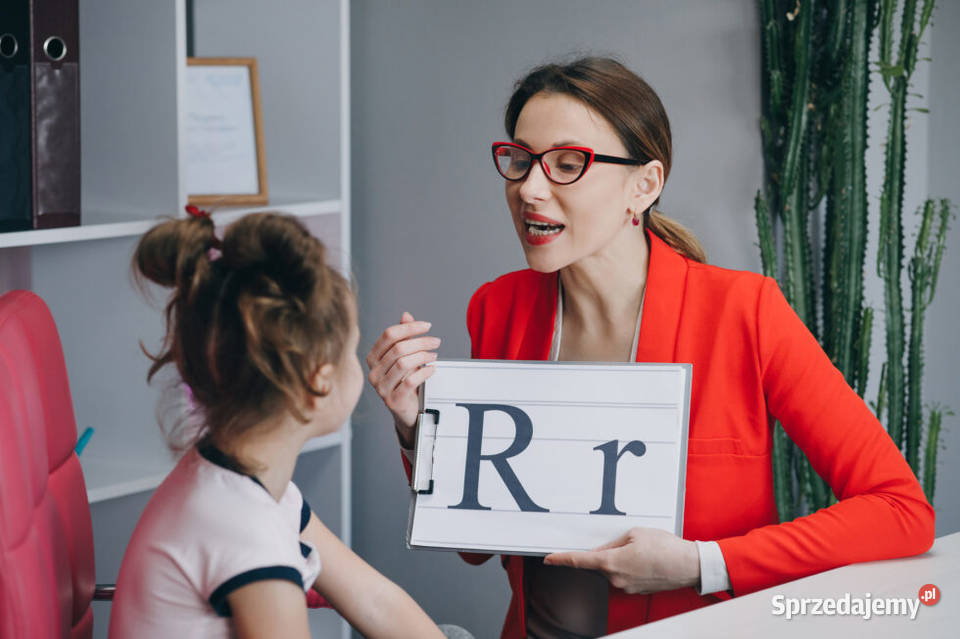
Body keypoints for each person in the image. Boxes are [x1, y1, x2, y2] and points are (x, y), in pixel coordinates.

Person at [366, 57, 936, 638]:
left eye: (567, 164)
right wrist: (419, 430)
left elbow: (900, 510)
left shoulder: (746, 312)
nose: (529, 189)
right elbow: (476, 546)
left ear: (644, 185)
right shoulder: (497, 308)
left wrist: (700, 564)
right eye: (520, 160)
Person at [110, 212, 451, 639]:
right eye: (350, 350)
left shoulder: (247, 484)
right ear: (318, 381)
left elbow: (375, 599)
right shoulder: (248, 536)